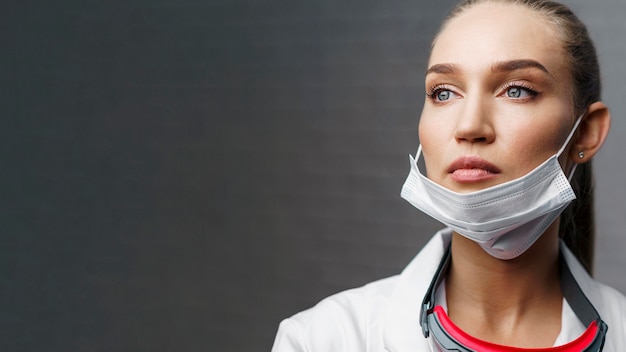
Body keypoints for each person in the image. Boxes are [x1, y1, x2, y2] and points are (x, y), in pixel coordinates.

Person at [271, 0, 626, 350]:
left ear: (586, 133)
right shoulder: (322, 339)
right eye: (444, 93)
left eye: (516, 90)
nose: (469, 126)